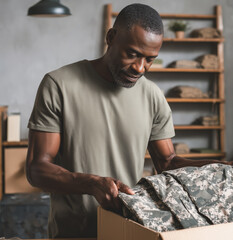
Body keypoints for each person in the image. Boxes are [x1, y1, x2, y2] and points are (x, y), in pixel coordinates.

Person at [26, 3, 230, 238]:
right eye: (132, 54)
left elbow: (168, 162)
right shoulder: (58, 85)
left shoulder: (153, 96)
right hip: (74, 233)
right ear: (111, 37)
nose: (140, 67)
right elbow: (37, 169)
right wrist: (91, 183)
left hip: (130, 232)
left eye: (150, 59)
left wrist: (219, 168)